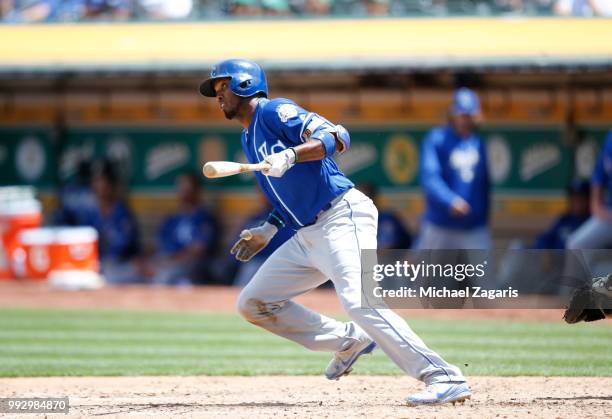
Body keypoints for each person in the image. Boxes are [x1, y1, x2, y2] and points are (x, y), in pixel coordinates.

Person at [199, 59, 470, 406]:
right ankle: (348, 340)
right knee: (253, 303)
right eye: (216, 91)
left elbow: (338, 135)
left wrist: (293, 155)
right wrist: (268, 228)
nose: (217, 96)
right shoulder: (248, 135)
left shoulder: (274, 111)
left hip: (343, 216)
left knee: (360, 302)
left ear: (246, 84)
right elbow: (292, 194)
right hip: (308, 235)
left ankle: (443, 376)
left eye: (223, 87)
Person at [417, 87, 491, 250]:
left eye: (469, 115)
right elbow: (430, 177)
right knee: (428, 275)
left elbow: (485, 185)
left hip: (474, 227)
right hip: (440, 225)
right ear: (454, 114)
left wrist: (482, 218)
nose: (465, 119)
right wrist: (450, 200)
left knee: (484, 275)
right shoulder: (437, 138)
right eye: (462, 114)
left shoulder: (478, 143)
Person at [152, 171, 219, 285]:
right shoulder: (172, 218)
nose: (184, 192)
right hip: (169, 261)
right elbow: (160, 246)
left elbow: (199, 250)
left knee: (165, 276)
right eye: (181, 187)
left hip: (192, 264)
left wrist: (172, 261)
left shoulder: (204, 217)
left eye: (187, 188)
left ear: (196, 190)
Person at [86, 161, 144, 283]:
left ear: (111, 186)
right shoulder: (91, 213)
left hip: (123, 265)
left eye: (103, 183)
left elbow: (123, 249)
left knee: (109, 275)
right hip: (97, 265)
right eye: (97, 183)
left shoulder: (122, 214)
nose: (100, 187)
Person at [232, 188, 295, 287]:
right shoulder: (256, 216)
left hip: (281, 263)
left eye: (268, 192)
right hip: (256, 262)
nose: (264, 196)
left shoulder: (288, 214)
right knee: (244, 283)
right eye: (262, 192)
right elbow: (240, 242)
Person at [566, 131, 612, 250]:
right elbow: (599, 174)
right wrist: (596, 205)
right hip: (609, 215)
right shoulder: (610, 137)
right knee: (575, 246)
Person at [534, 179, 590, 249]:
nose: (576, 201)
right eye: (573, 197)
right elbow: (545, 239)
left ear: (589, 199)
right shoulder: (564, 219)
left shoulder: (592, 222)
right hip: (556, 258)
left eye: (581, 197)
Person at [357, 183, 412, 250]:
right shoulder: (353, 221)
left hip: (390, 258)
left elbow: (387, 248)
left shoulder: (387, 219)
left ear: (373, 198)